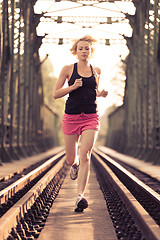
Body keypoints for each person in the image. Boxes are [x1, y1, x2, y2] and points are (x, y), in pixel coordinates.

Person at [53, 35, 108, 212]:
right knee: (72, 159)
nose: (84, 51)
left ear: (91, 52)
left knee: (85, 154)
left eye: (87, 48)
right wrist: (72, 87)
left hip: (91, 116)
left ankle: (79, 196)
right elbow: (56, 93)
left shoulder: (96, 70)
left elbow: (93, 91)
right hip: (71, 117)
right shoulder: (68, 69)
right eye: (81, 48)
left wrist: (101, 94)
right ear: (76, 51)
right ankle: (74, 166)